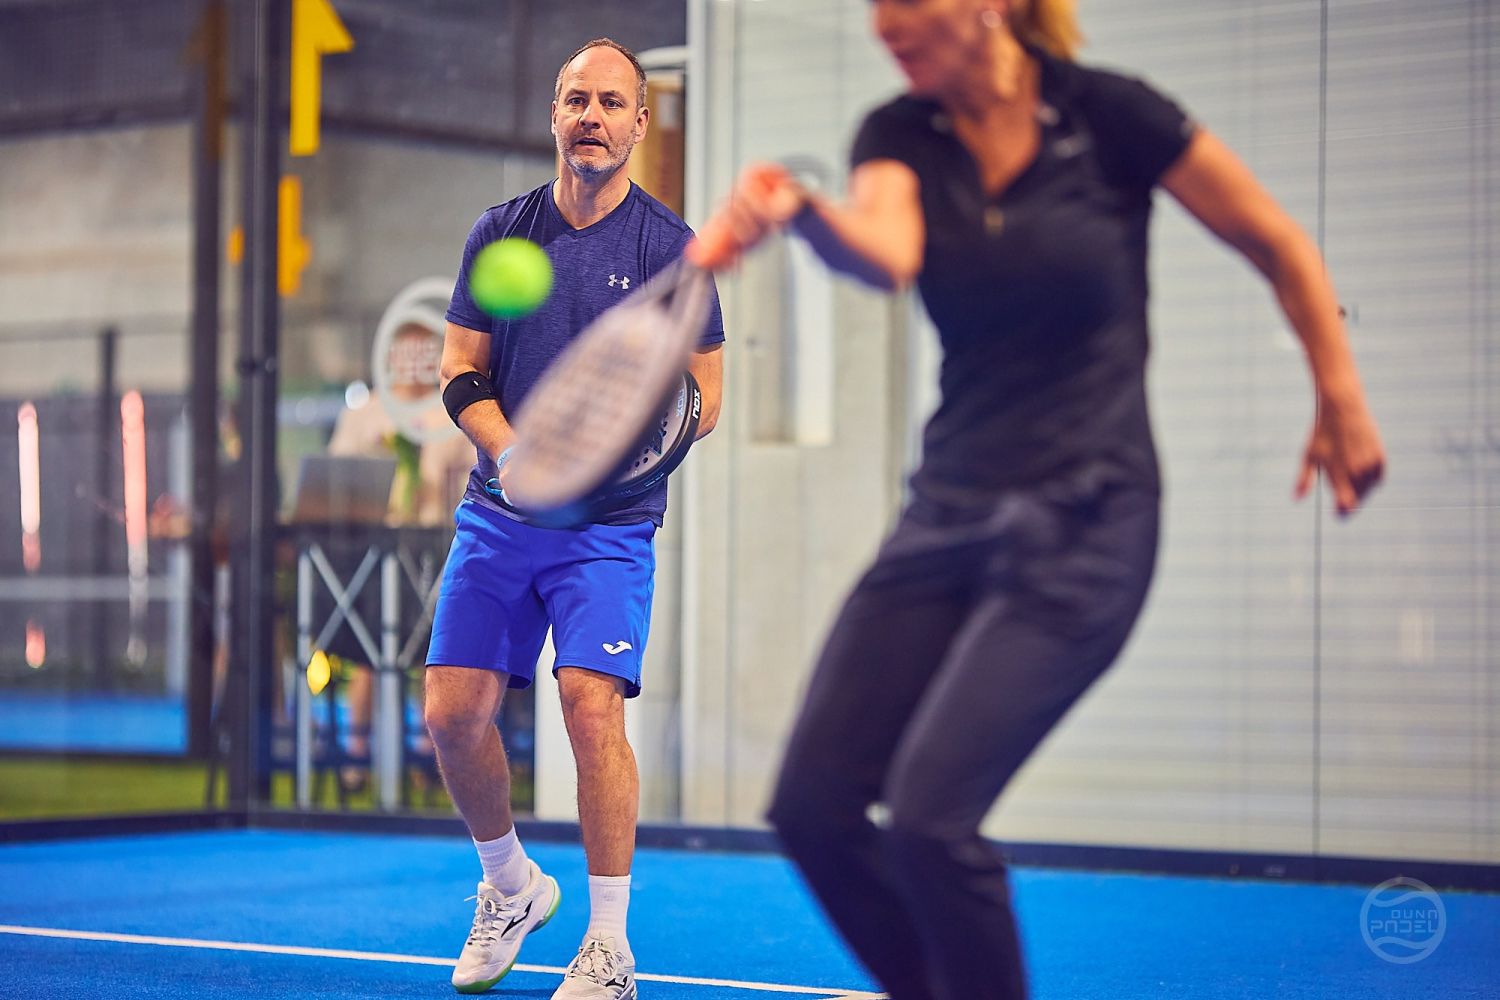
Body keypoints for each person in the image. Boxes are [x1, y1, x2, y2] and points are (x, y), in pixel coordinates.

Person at [690, 1, 1384, 997]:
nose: (885, 23)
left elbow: (1276, 240)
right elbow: (886, 252)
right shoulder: (899, 133)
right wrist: (800, 210)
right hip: (947, 515)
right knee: (812, 809)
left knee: (930, 822)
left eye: (908, 3)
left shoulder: (1111, 116)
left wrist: (1339, 395)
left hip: (1087, 523)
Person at [426, 37, 725, 999]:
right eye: (576, 100)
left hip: (608, 527)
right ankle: (511, 887)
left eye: (610, 103)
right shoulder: (500, 233)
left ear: (640, 122)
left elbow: (704, 399)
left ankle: (608, 948)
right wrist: (516, 454)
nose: (591, 117)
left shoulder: (670, 248)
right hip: (500, 510)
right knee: (452, 717)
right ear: (554, 115)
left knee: (589, 705)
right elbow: (459, 370)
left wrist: (616, 448)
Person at [322, 319, 473, 793]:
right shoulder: (365, 413)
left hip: (433, 553)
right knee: (367, 652)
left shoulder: (451, 413)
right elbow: (335, 478)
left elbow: (474, 475)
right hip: (371, 553)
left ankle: (431, 755)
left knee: (434, 656)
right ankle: (357, 751)